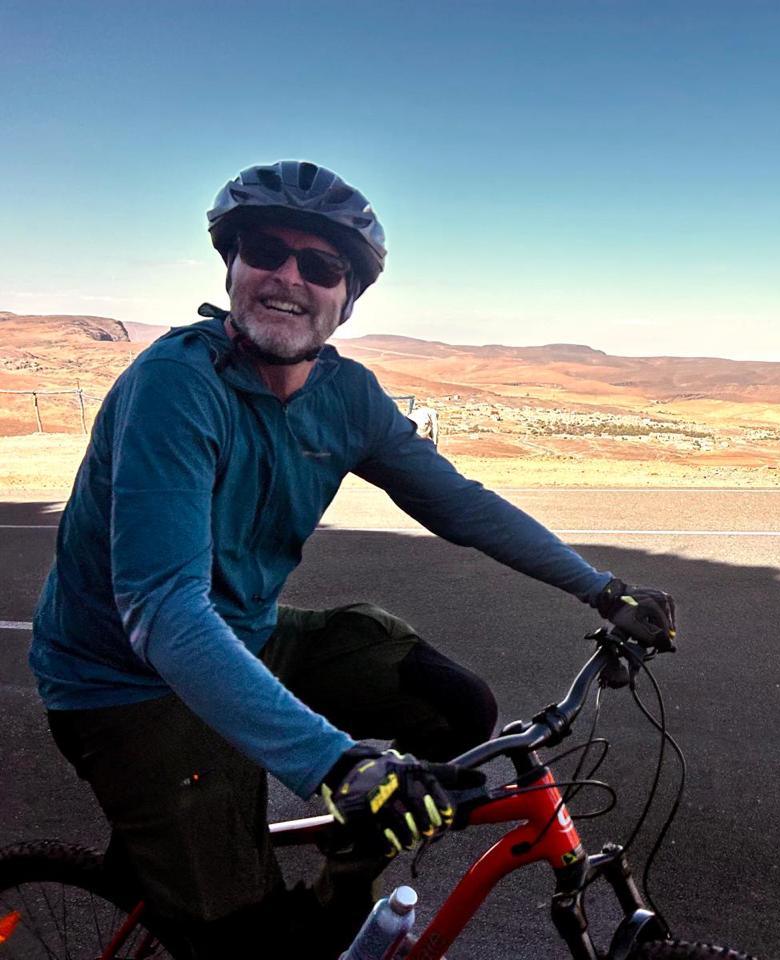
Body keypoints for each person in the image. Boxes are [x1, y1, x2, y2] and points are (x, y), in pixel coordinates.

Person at [28, 160, 677, 959]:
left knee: (452, 710)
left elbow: (457, 501)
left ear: (348, 295)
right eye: (266, 250)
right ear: (231, 265)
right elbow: (162, 609)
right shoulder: (177, 385)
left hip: (243, 630)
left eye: (322, 266)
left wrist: (603, 591)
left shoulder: (346, 396)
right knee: (249, 943)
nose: (287, 279)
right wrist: (334, 766)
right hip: (122, 681)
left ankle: (337, 899)